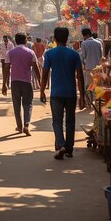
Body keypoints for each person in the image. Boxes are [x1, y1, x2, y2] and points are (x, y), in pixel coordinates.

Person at [40, 27, 85, 160]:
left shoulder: (49, 54)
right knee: (70, 121)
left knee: (57, 121)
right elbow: (80, 76)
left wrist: (42, 91)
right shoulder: (74, 54)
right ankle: (69, 149)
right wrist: (82, 96)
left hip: (56, 93)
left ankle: (61, 145)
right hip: (71, 93)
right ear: (67, 38)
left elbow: (45, 74)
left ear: (54, 38)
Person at [8, 33, 41, 136]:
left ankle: (19, 126)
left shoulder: (10, 53)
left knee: (16, 105)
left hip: (14, 82)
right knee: (28, 104)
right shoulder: (30, 52)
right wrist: (40, 81)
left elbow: (6, 68)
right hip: (27, 82)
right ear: (26, 41)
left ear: (15, 41)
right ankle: (26, 125)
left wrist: (4, 84)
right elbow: (36, 68)